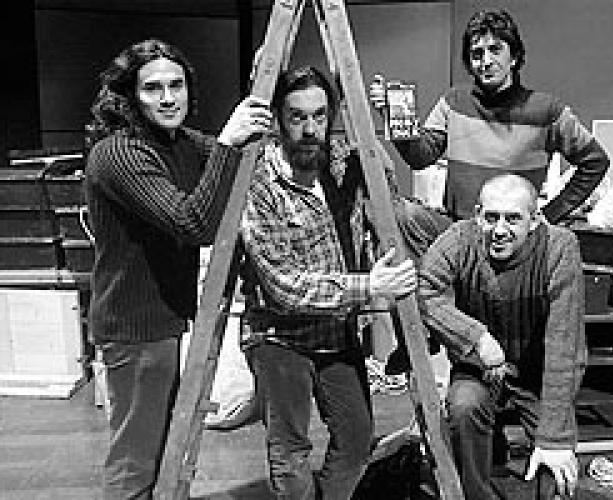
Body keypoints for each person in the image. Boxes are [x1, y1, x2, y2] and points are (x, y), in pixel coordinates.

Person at [84, 38, 272, 499]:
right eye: (153, 88)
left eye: (176, 85)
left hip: (164, 321)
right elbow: (193, 224)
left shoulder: (179, 142)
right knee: (136, 460)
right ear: (130, 95)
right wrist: (227, 141)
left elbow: (252, 156)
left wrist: (269, 88)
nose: (168, 98)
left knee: (166, 450)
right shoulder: (119, 153)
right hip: (135, 327)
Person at [239, 65, 418, 500]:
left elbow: (388, 194)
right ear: (279, 119)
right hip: (278, 336)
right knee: (290, 451)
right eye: (297, 117)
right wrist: (369, 287)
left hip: (336, 333)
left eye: (319, 116)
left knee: (356, 440)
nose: (309, 129)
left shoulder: (341, 162)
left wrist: (371, 128)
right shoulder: (260, 183)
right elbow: (284, 286)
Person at [418, 173, 586, 499]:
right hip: (478, 368)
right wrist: (476, 338)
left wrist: (554, 439)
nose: (499, 230)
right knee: (464, 406)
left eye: (513, 219)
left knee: (556, 463)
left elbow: (565, 345)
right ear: (478, 214)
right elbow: (423, 291)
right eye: (492, 217)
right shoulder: (460, 239)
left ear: (535, 220)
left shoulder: (559, 247)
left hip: (537, 373)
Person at [370, 8, 609, 225]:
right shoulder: (454, 102)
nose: (485, 62)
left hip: (515, 237)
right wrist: (392, 116)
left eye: (495, 50)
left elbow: (595, 161)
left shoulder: (547, 111)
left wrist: (551, 214)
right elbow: (421, 157)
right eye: (477, 54)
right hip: (459, 230)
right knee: (399, 215)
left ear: (513, 57)